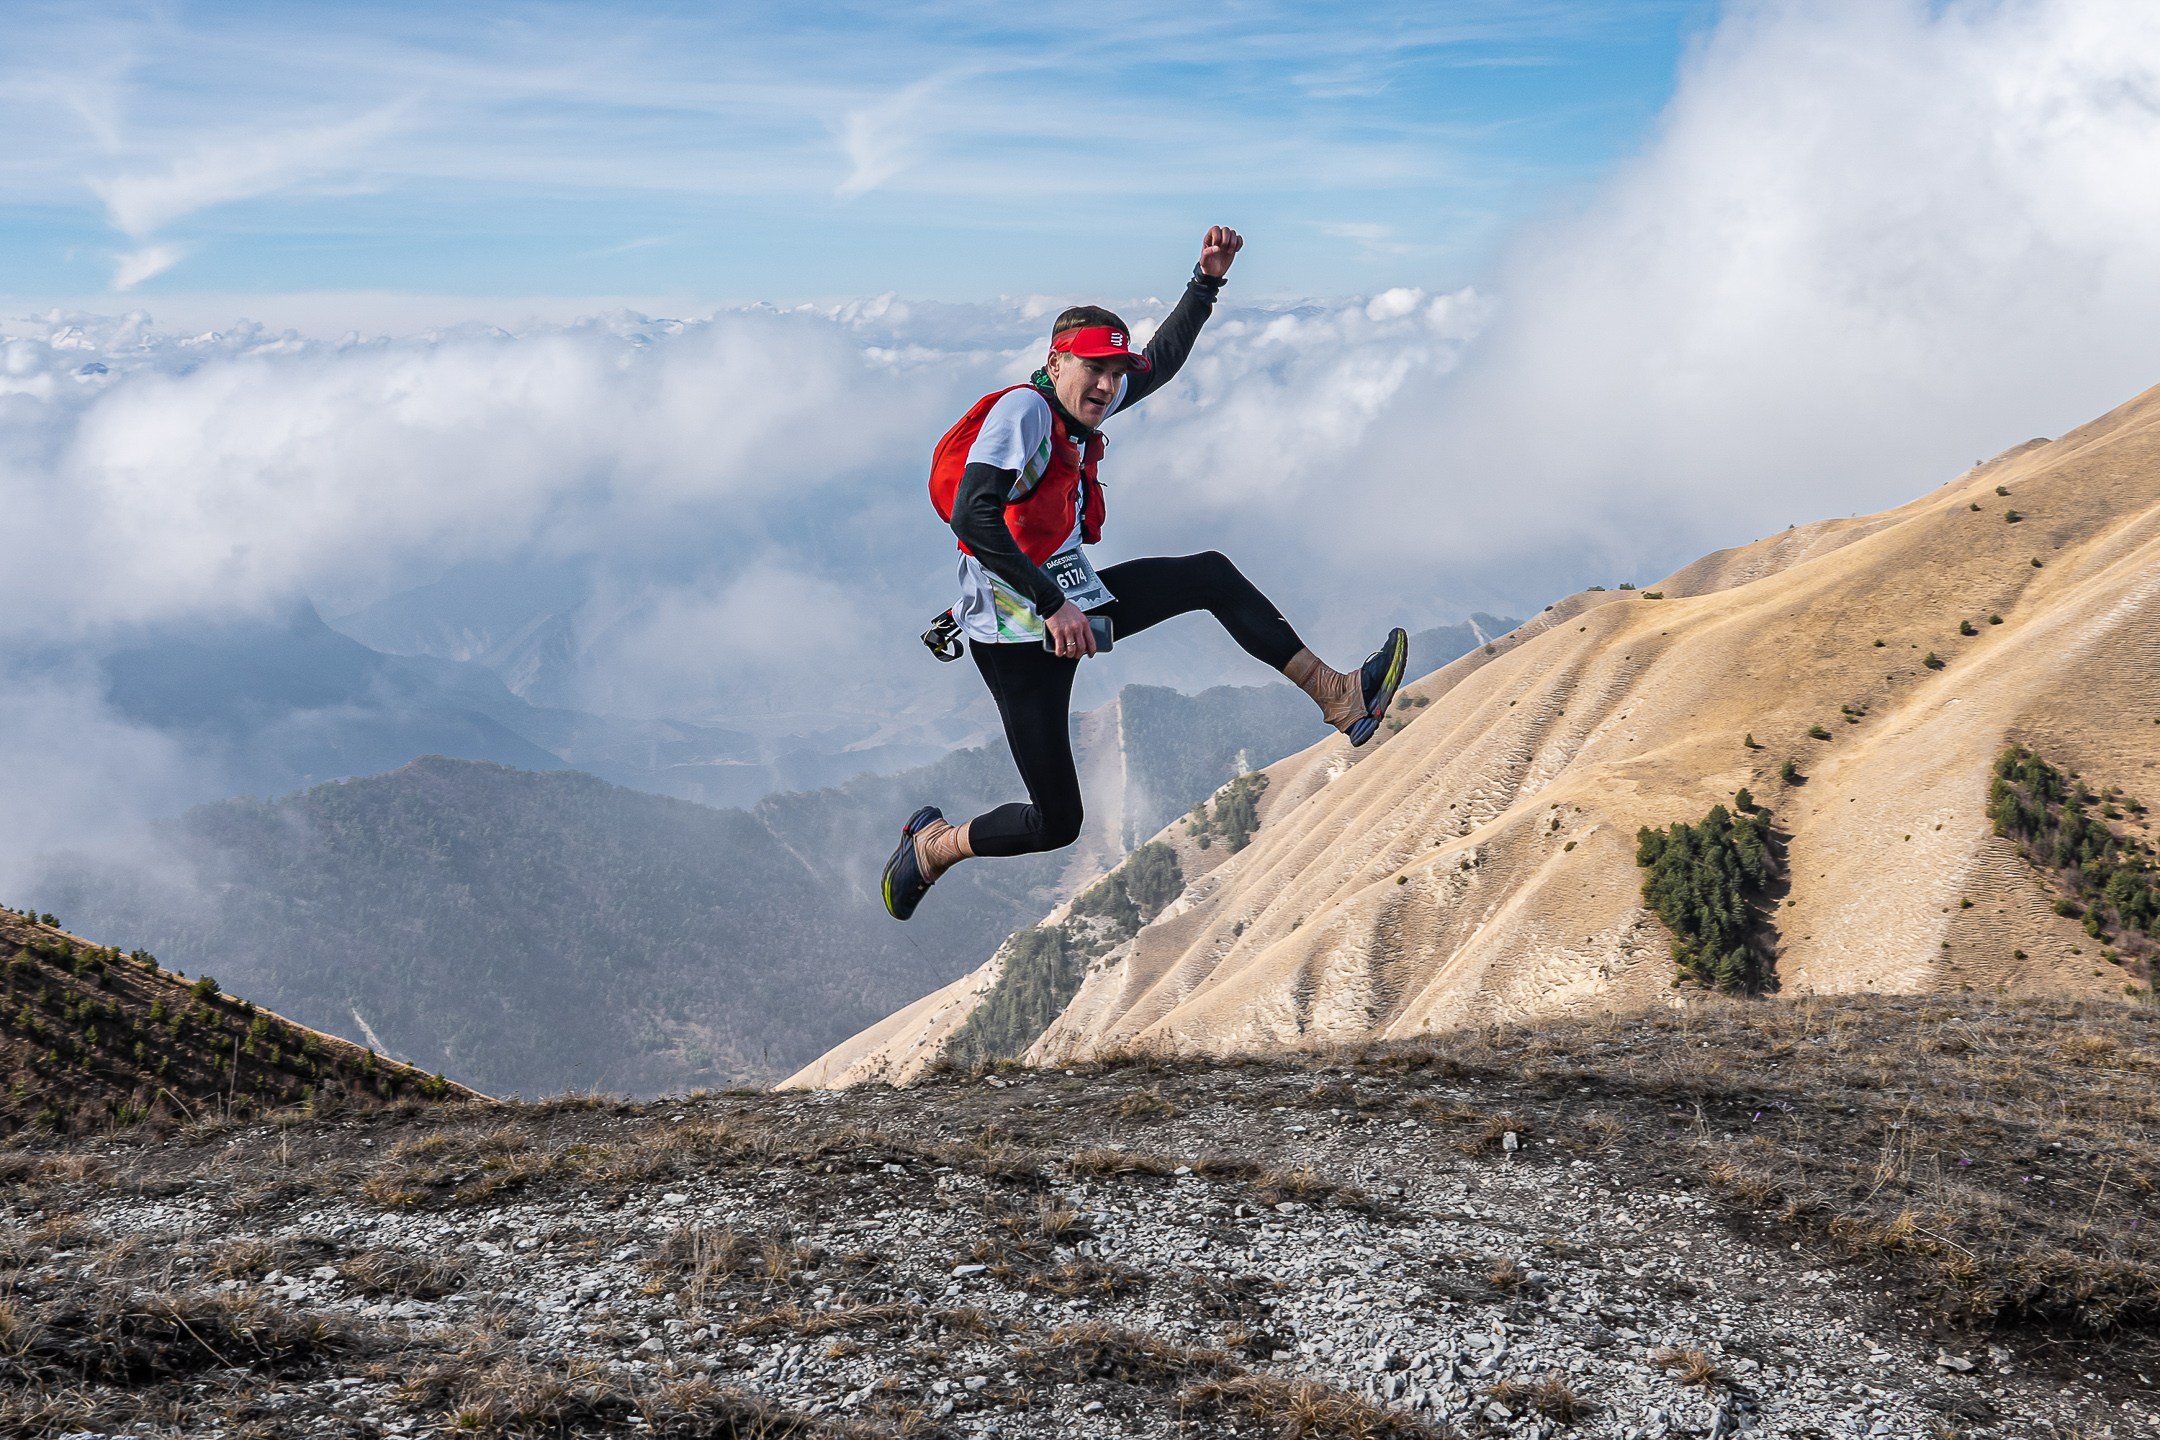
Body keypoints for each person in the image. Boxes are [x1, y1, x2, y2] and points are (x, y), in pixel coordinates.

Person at [883, 226, 1407, 920]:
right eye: (1093, 368)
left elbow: (1159, 361)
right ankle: (932, 847)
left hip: (1063, 611)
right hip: (1018, 645)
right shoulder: (1025, 411)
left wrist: (1206, 280)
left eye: (1113, 372)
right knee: (1057, 822)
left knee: (1209, 576)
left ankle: (1338, 696)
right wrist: (1049, 606)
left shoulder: (1077, 409)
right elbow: (973, 518)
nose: (1107, 383)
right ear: (1055, 360)